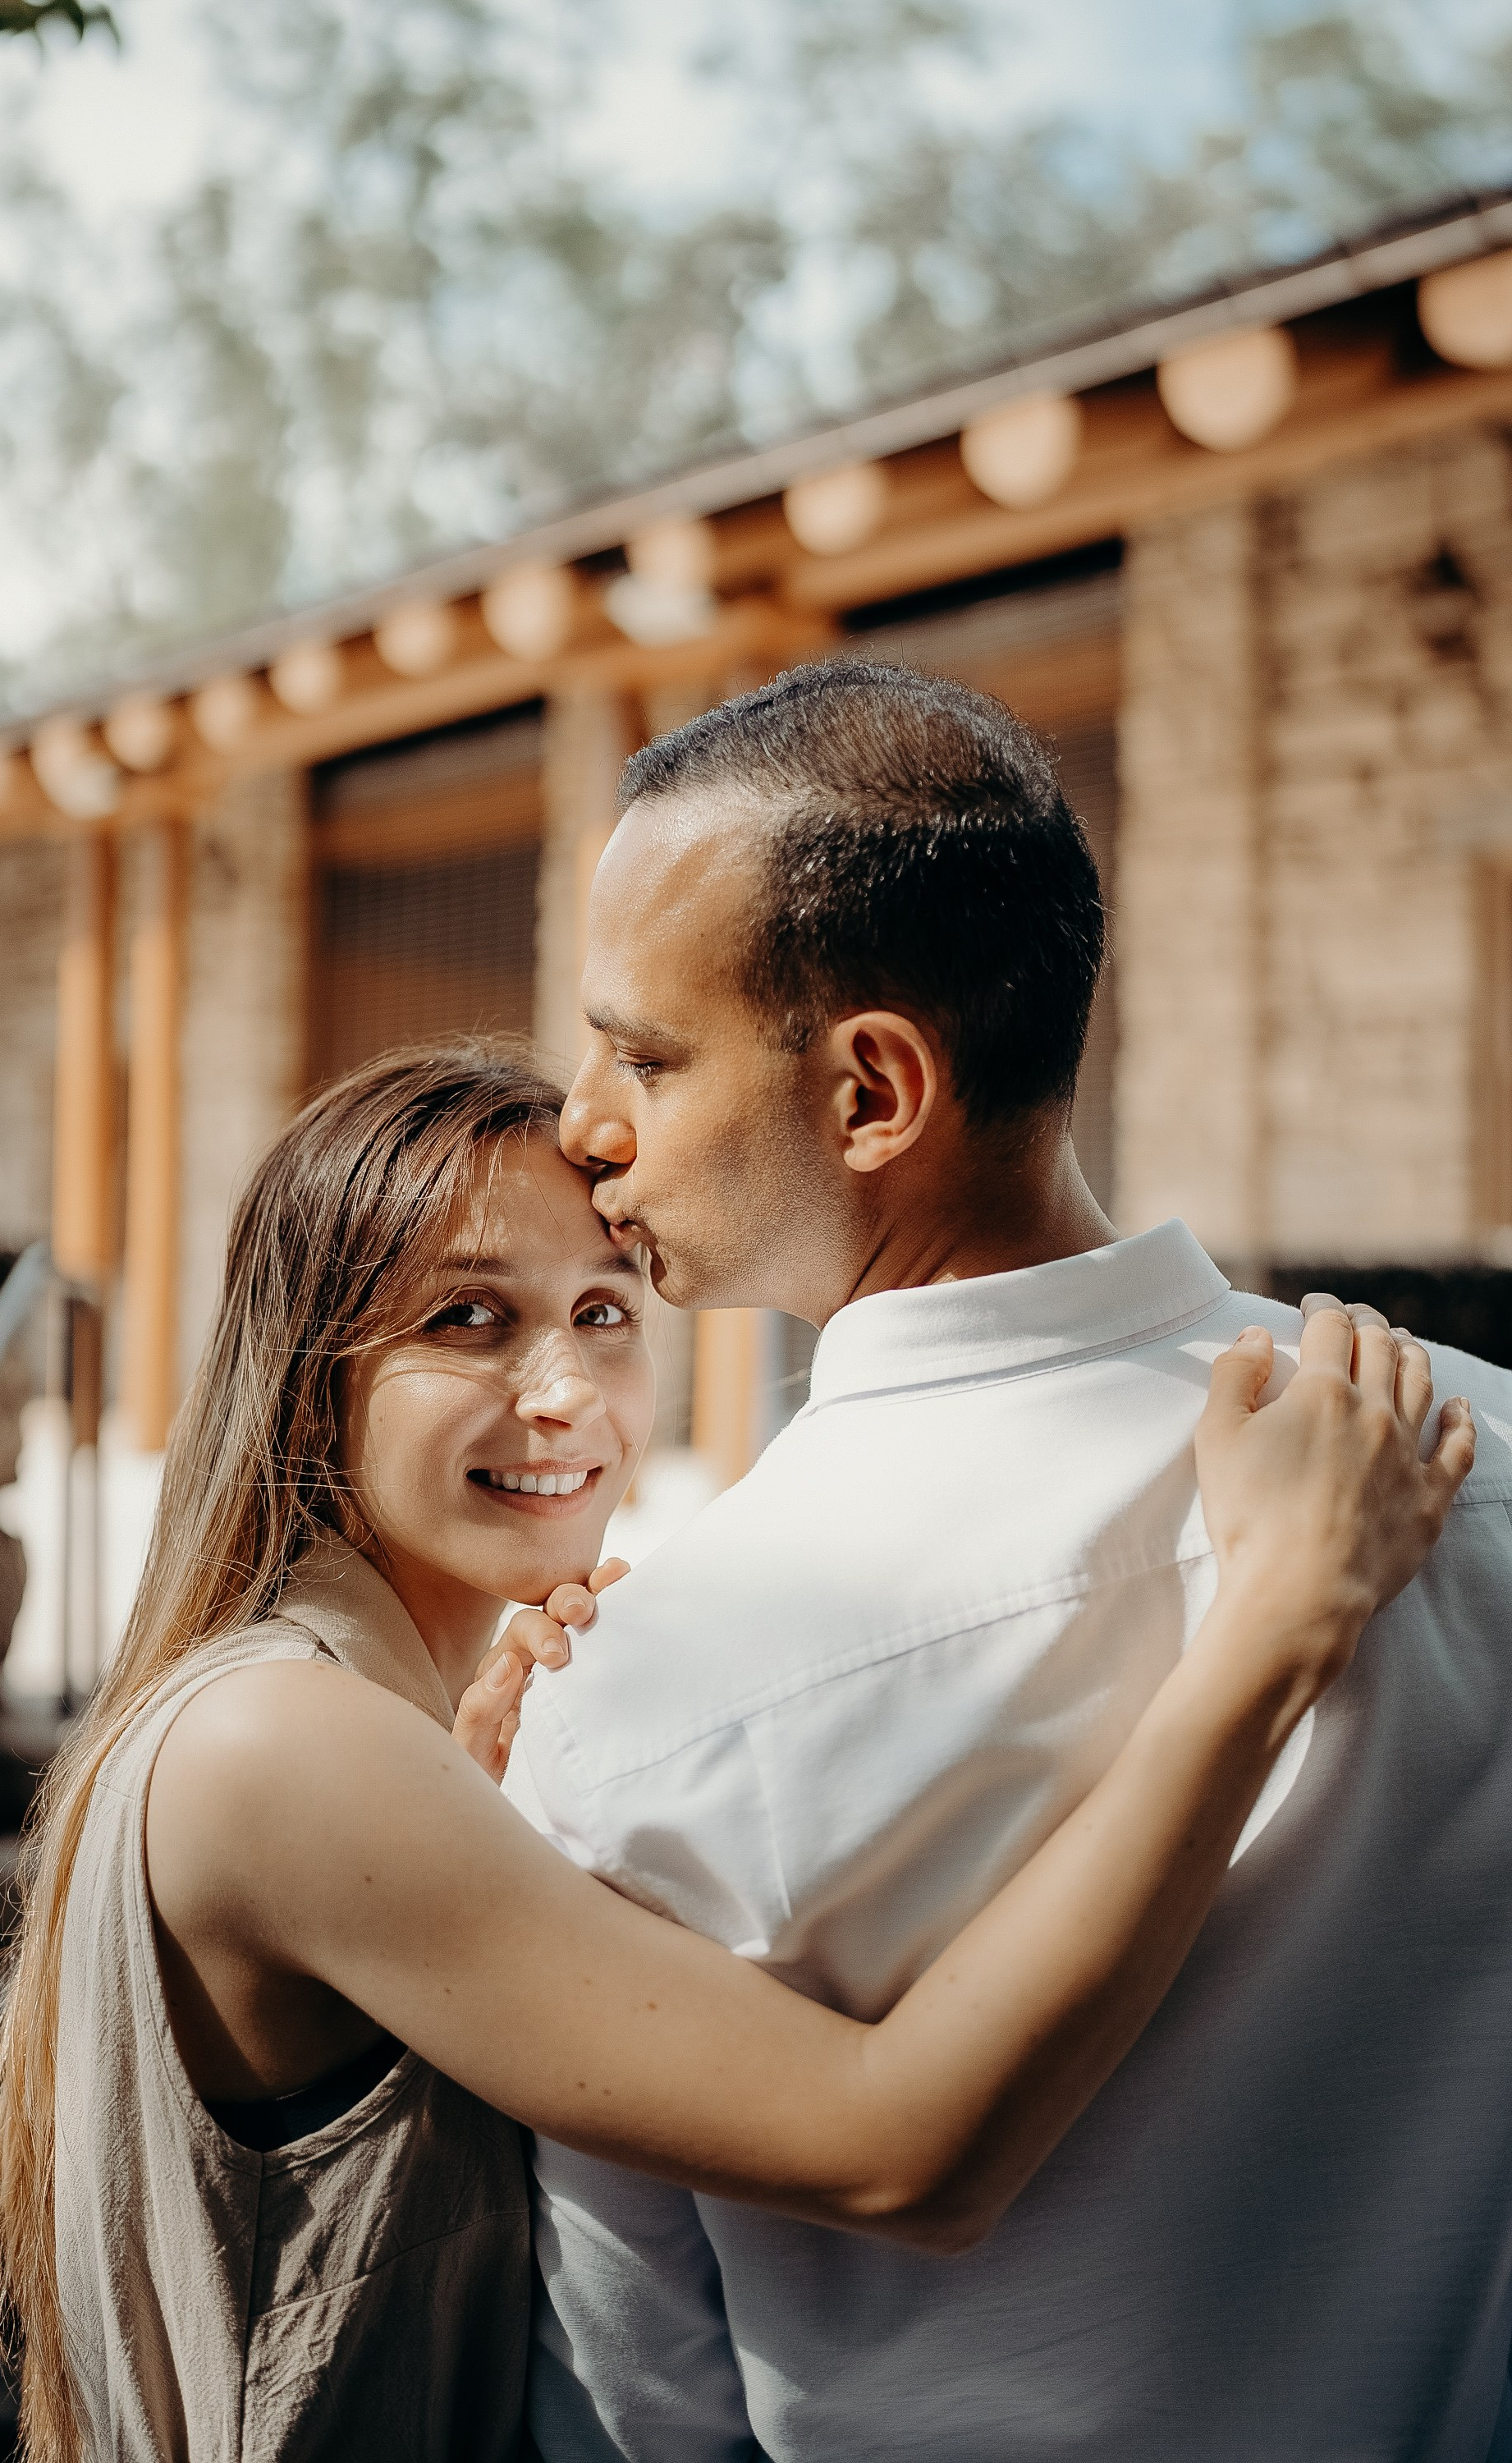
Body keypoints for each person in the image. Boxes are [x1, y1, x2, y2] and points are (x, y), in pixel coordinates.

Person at [0, 1044, 1464, 2463]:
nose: (564, 1393)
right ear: (311, 1367)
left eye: (607, 1313)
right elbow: (900, 2147)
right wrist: (1277, 1626)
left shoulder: (359, 1726)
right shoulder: (277, 1743)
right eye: (467, 1320)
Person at [507, 658, 1512, 2463]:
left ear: (874, 1090)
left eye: (644, 1052)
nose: (583, 1116)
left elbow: (642, 2399)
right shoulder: (1489, 1450)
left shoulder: (646, 1709)